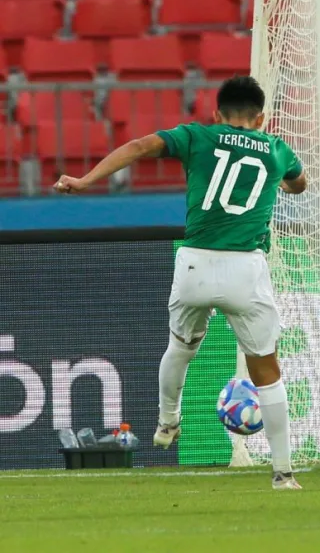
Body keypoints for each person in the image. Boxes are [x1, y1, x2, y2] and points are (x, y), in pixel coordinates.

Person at [54, 76, 306, 490]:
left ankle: (168, 421)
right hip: (246, 268)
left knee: (181, 348)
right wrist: (283, 179)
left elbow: (138, 147)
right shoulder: (277, 150)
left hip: (195, 264)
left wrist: (85, 180)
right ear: (261, 118)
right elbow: (299, 184)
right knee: (266, 370)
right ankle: (283, 473)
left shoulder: (196, 136)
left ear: (216, 114)